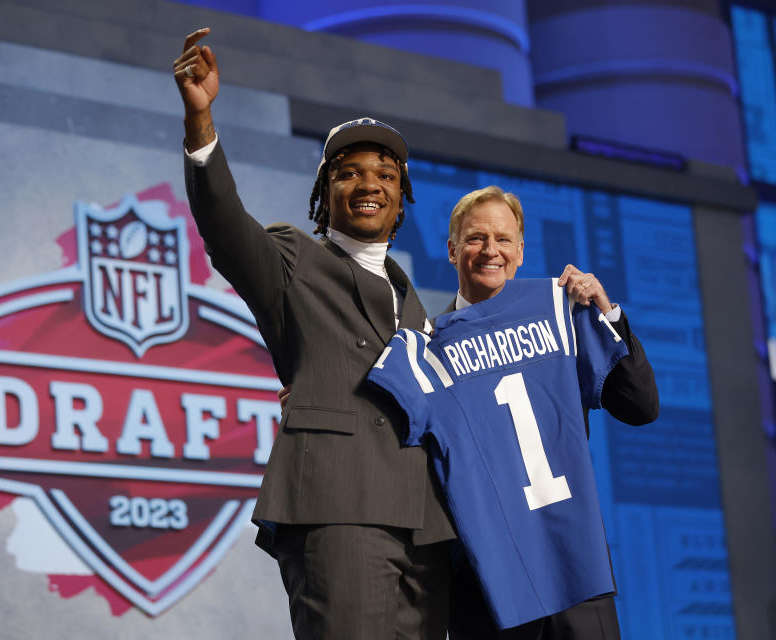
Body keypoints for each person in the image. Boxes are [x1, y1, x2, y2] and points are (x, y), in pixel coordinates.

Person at [174, 28, 455, 640]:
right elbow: (225, 227)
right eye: (349, 173)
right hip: (338, 508)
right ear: (325, 194)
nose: (369, 184)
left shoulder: (414, 302)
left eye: (385, 173)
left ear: (401, 199)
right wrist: (201, 126)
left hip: (423, 528)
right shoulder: (293, 260)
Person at [442, 186, 658, 639]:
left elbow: (640, 406)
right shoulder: (429, 350)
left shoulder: (560, 315)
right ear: (452, 249)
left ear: (520, 252)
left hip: (576, 569)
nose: (490, 250)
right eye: (476, 238)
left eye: (503, 239)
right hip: (489, 588)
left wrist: (606, 313)